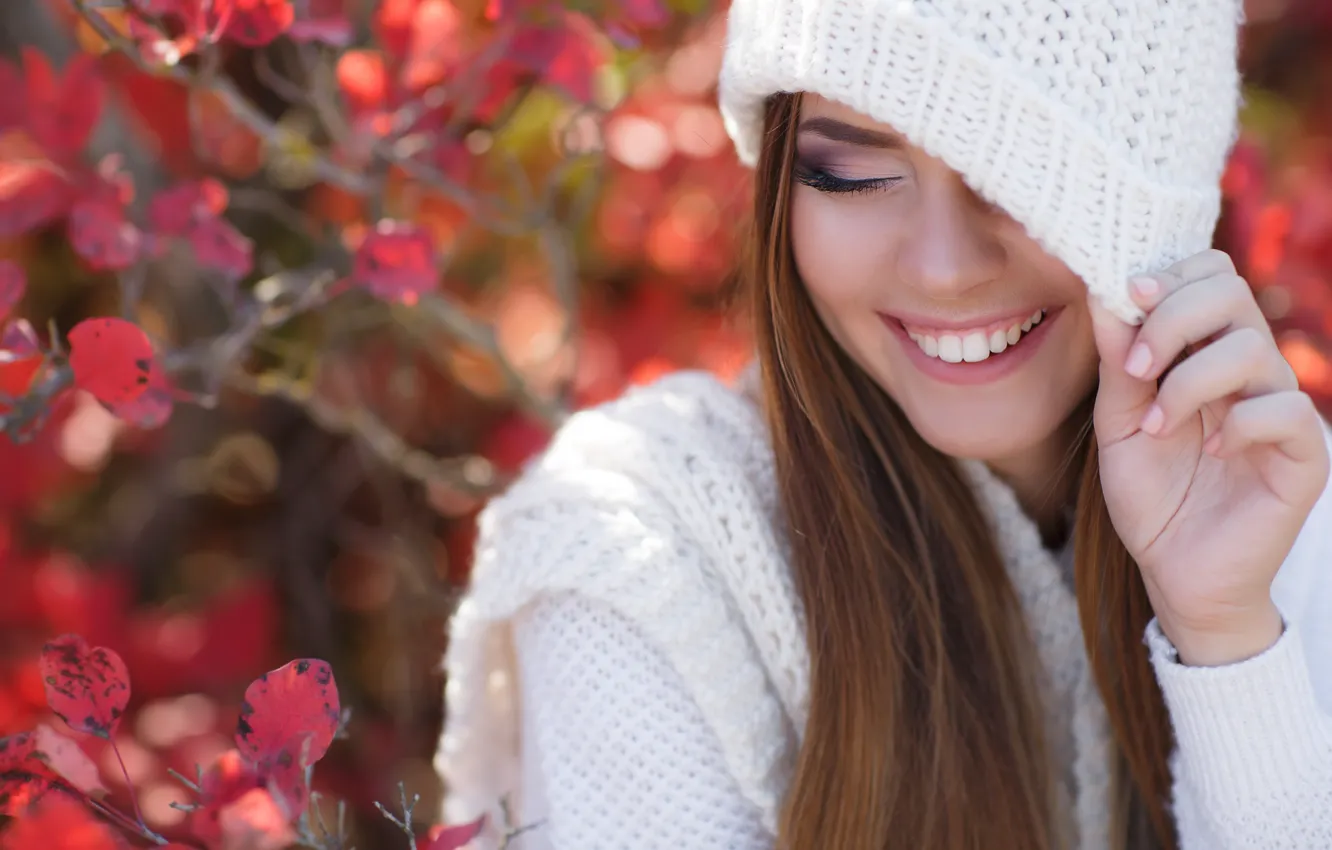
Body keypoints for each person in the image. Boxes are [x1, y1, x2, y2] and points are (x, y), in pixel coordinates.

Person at [433, 0, 1332, 848]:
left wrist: (1226, 640)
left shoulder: (1274, 500)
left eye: (1015, 171)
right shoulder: (641, 557)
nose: (944, 268)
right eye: (851, 174)